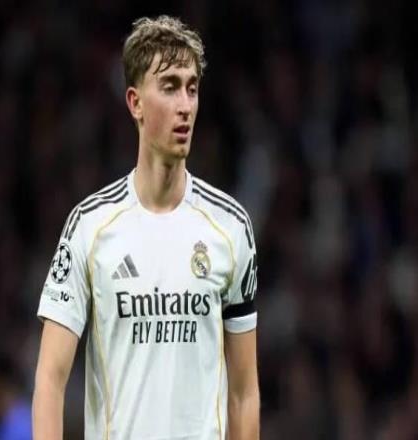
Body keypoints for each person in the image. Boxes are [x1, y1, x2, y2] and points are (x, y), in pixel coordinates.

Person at [32, 15, 260, 439]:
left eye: (192, 88)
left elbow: (244, 394)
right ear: (135, 103)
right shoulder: (89, 227)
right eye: (170, 87)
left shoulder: (231, 228)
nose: (185, 105)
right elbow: (50, 380)